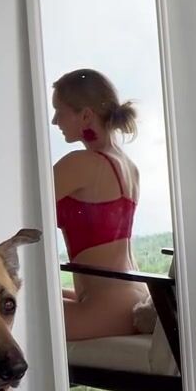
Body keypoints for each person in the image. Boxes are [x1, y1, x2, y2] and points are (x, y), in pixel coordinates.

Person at [50, 68, 148, 342]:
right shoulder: (129, 166)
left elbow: (19, 206)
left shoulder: (81, 164)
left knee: (14, 315)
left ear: (85, 115)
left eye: (59, 111)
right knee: (25, 297)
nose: (55, 120)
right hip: (131, 297)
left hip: (106, 307)